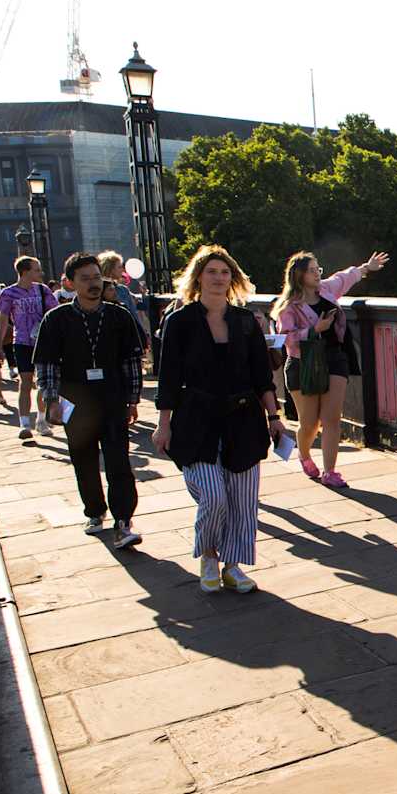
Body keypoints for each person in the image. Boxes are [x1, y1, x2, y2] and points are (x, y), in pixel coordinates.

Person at [154, 245, 286, 594]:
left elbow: (262, 375)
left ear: (233, 279)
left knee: (243, 499)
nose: (218, 277)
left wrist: (274, 416)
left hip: (243, 417)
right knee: (213, 496)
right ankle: (208, 554)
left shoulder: (245, 321)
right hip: (196, 419)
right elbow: (167, 377)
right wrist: (163, 422)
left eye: (225, 272)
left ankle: (233, 564)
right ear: (198, 277)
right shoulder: (179, 322)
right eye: (212, 271)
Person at [33, 252, 143, 549]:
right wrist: (51, 400)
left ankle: (124, 520)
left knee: (119, 460)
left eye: (97, 277)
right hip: (75, 401)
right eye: (85, 279)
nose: (93, 284)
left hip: (112, 398)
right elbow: (47, 364)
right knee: (84, 460)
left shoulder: (119, 316)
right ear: (70, 283)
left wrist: (133, 399)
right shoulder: (56, 319)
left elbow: (131, 361)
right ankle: (94, 511)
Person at [272, 250, 386, 488]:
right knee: (310, 422)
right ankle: (304, 456)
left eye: (318, 269)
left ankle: (330, 471)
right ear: (299, 275)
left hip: (334, 358)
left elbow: (345, 277)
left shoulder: (326, 290)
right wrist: (316, 328)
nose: (317, 274)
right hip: (304, 364)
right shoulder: (288, 307)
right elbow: (286, 339)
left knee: (332, 418)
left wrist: (367, 266)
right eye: (312, 270)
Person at [0, 256, 57, 439]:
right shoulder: (9, 293)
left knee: (42, 382)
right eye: (36, 269)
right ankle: (24, 424)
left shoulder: (42, 290)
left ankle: (41, 419)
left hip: (42, 342)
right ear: (25, 271)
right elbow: (2, 320)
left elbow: (54, 313)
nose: (40, 273)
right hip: (22, 342)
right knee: (26, 381)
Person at [97, 251, 151, 364]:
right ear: (110, 268)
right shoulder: (97, 290)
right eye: (119, 266)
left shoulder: (123, 290)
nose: (122, 270)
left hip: (125, 337)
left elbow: (133, 316)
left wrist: (141, 336)